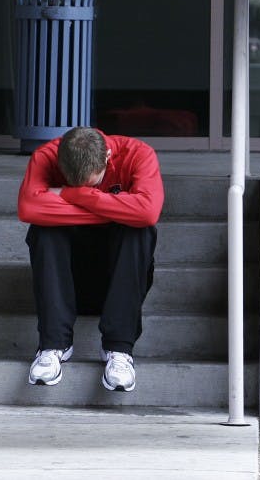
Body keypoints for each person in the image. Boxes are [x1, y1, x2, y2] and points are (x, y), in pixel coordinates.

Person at [17, 126, 163, 392]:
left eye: (92, 183)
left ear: (108, 157)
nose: (83, 190)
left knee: (138, 230)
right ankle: (53, 345)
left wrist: (72, 195)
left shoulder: (139, 154)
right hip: (67, 283)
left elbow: (148, 213)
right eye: (73, 185)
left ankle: (119, 350)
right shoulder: (44, 156)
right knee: (44, 229)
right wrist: (117, 207)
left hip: (119, 282)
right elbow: (29, 207)